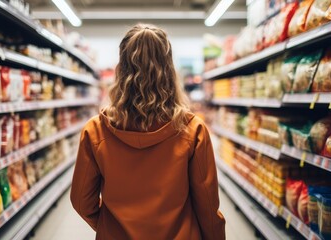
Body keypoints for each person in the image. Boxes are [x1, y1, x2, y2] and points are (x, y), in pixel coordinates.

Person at [70, 23, 226, 240]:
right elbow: (208, 207)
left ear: (121, 70)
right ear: (170, 71)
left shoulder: (96, 131)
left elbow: (81, 200)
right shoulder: (193, 130)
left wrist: (109, 228)